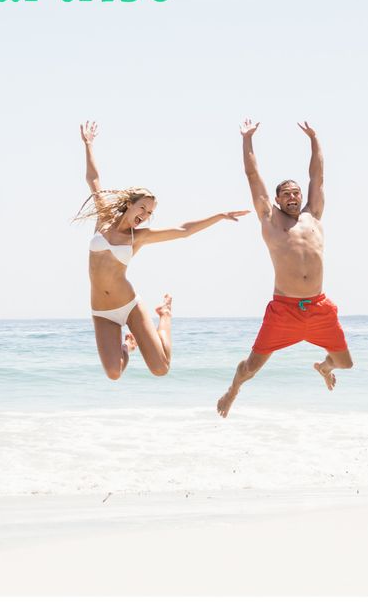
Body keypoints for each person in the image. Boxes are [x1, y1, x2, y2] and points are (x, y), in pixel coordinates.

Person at [79, 121, 248, 380]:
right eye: (142, 209)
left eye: (150, 213)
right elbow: (93, 179)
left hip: (128, 304)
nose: (145, 216)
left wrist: (219, 215)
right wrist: (89, 145)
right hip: (102, 311)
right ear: (129, 204)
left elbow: (183, 231)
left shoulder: (139, 237)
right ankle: (129, 345)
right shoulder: (103, 217)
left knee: (161, 368)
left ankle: (165, 315)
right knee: (113, 373)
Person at [217, 120, 352, 418]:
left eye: (296, 193)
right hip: (284, 309)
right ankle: (233, 391)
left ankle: (323, 367)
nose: (293, 197)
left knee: (345, 362)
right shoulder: (270, 220)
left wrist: (315, 138)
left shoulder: (313, 216)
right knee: (252, 366)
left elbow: (318, 176)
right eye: (286, 194)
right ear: (277, 200)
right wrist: (247, 139)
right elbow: (252, 175)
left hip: (318, 306)